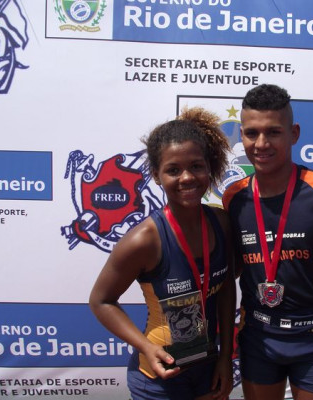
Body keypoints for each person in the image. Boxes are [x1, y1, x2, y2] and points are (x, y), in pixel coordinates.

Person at [222, 84, 313, 400]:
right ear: (242, 136)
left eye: (273, 132)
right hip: (258, 336)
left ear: (294, 133)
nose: (261, 143)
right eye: (251, 133)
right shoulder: (233, 197)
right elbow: (233, 269)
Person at [89, 107, 236, 400]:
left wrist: (225, 357)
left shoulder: (221, 222)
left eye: (196, 166)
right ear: (156, 175)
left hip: (208, 371)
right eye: (173, 170)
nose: (187, 177)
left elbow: (226, 287)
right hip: (160, 378)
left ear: (209, 167)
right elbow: (101, 301)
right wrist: (146, 347)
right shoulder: (144, 240)